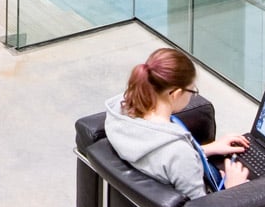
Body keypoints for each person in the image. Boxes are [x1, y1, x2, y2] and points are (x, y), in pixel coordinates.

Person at [102, 48, 250, 198]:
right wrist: (233, 189)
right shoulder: (178, 152)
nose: (193, 95)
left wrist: (206, 149)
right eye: (192, 91)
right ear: (176, 93)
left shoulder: (120, 116)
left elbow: (159, 160)